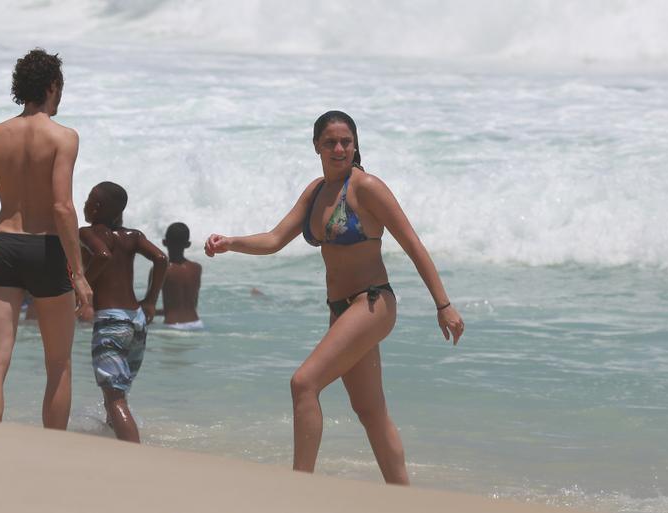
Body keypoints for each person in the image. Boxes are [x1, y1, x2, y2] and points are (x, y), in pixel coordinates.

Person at [205, 111, 464, 485]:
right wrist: (232, 242)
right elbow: (275, 239)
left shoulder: (367, 187)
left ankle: (301, 487)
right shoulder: (315, 192)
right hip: (341, 310)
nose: (339, 148)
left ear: (356, 145)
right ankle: (404, 497)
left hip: (372, 302)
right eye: (330, 142)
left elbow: (413, 244)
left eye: (346, 141)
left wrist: (443, 305)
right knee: (370, 411)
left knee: (303, 383)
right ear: (316, 147)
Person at [0, 48, 91, 429]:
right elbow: (63, 207)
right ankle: (52, 447)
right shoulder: (63, 137)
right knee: (59, 362)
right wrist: (79, 274)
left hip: (4, 245)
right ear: (52, 86)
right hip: (47, 248)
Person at [80, 181, 167, 442]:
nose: (84, 204)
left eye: (88, 199)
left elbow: (103, 255)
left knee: (115, 397)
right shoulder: (133, 236)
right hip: (136, 320)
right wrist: (151, 300)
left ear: (95, 207)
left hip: (110, 321)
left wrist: (82, 286)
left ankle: (132, 454)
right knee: (119, 391)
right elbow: (161, 259)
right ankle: (113, 441)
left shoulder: (86, 233)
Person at [155, 222, 203, 330]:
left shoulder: (161, 269)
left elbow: (149, 305)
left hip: (172, 326)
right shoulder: (197, 268)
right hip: (196, 324)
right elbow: (190, 305)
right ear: (188, 244)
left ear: (164, 242)